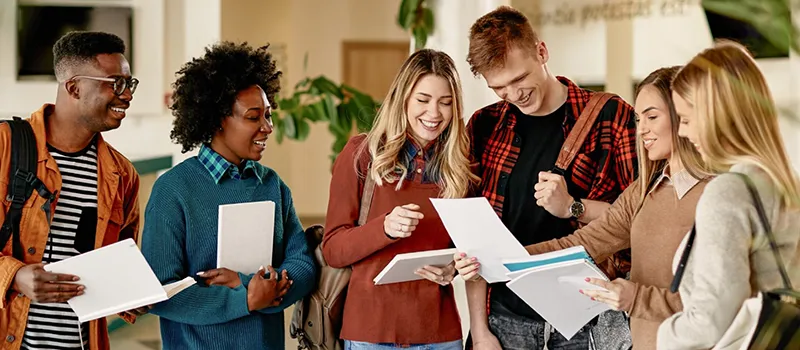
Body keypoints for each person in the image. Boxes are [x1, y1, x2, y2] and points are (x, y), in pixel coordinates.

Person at [458, 66, 710, 349]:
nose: (641, 130)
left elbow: (719, 303)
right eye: (639, 119)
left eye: (652, 117)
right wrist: (497, 260)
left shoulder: (716, 195)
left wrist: (636, 298)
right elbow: (582, 244)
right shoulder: (642, 192)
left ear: (684, 116)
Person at [455, 5, 639, 350]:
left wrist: (574, 207)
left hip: (589, 322)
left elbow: (642, 218)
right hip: (505, 321)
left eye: (520, 79)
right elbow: (474, 239)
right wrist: (479, 330)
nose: (514, 94)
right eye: (500, 87)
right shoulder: (484, 126)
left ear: (542, 51)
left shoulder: (612, 118)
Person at [140, 41, 316, 350]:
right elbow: (158, 294)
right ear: (220, 119)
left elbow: (302, 263)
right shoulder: (173, 190)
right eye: (253, 117)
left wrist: (249, 285)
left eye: (269, 115)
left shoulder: (272, 185)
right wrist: (245, 299)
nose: (267, 127)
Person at [322, 48, 479, 350]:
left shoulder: (461, 165)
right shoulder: (361, 155)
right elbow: (333, 250)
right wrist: (384, 228)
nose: (434, 114)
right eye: (423, 100)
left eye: (445, 103)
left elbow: (469, 247)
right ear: (402, 99)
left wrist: (454, 268)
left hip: (440, 334)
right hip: (372, 333)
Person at [0, 31, 143, 350]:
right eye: (115, 83)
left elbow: (120, 271)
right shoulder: (4, 147)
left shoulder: (122, 176)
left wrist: (144, 294)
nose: (127, 95)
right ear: (74, 87)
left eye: (129, 84)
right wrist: (16, 276)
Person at [657, 41, 800, 349]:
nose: (682, 132)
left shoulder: (730, 191)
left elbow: (711, 322)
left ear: (715, 116)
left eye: (685, 118)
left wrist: (665, 336)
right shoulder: (787, 183)